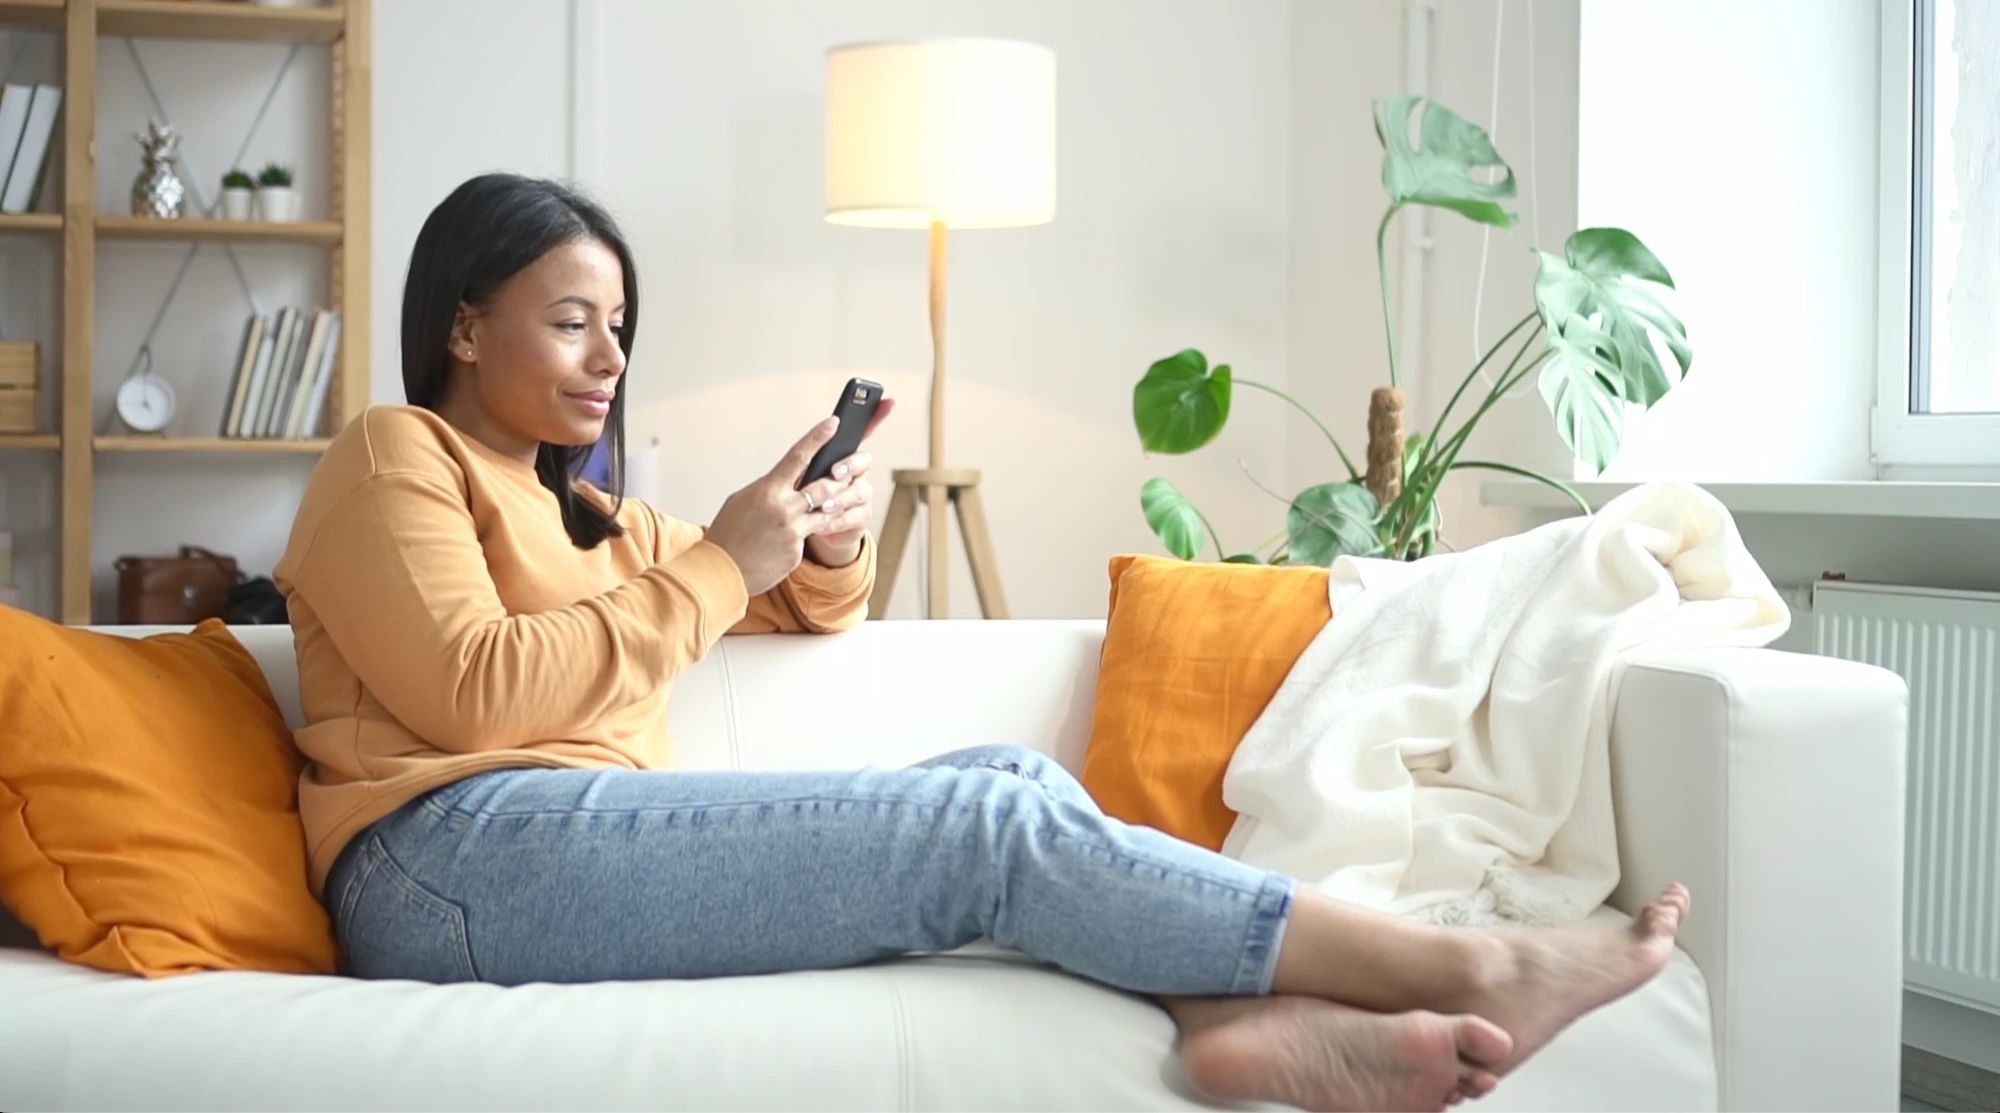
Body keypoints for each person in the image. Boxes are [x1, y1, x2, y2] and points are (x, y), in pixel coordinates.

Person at [274, 173, 1689, 1113]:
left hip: (554, 849)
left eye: (621, 327)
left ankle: (1220, 1015)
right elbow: (468, 694)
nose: (608, 357)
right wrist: (721, 558)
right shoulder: (394, 456)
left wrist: (816, 541)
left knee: (1005, 785)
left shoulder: (589, 515)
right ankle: (1464, 967)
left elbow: (797, 610)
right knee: (975, 833)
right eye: (571, 320)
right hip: (444, 865)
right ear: (463, 322)